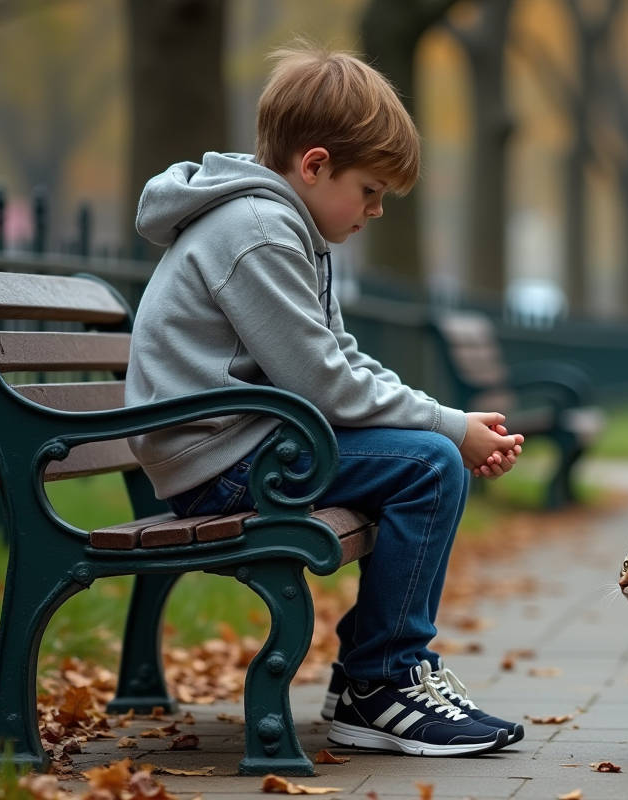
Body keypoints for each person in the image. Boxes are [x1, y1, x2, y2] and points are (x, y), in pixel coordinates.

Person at [125, 42, 525, 757]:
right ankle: (382, 681)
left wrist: (448, 420)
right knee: (429, 466)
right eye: (368, 191)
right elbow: (324, 386)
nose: (373, 211)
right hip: (222, 462)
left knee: (430, 456)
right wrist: (447, 428)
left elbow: (338, 360)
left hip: (244, 445)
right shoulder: (257, 233)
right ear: (314, 166)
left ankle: (376, 679)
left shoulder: (289, 228)